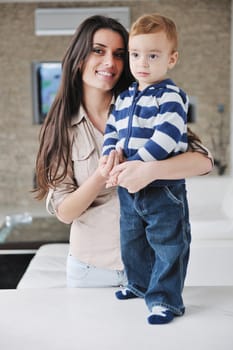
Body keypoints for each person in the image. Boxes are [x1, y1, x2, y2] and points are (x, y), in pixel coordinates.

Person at [34, 15, 213, 290]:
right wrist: (101, 175)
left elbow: (203, 161)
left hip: (151, 269)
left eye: (119, 54)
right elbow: (65, 212)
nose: (110, 63)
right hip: (90, 270)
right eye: (98, 50)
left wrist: (149, 170)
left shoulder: (150, 103)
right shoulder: (60, 128)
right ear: (79, 57)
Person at [102, 13, 197, 324]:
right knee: (132, 240)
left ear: (171, 59)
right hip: (130, 188)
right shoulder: (124, 97)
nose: (142, 63)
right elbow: (113, 131)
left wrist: (135, 162)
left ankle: (166, 300)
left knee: (168, 244)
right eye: (135, 54)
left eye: (153, 55)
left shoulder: (171, 96)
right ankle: (139, 284)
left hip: (162, 189)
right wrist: (110, 156)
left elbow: (167, 137)